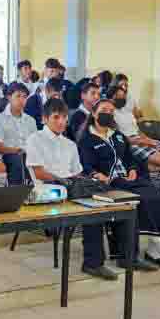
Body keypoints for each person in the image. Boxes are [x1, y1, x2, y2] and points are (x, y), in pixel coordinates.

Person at [78, 98, 160, 270]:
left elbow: (130, 157)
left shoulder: (117, 135)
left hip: (129, 178)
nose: (107, 114)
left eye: (111, 111)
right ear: (94, 113)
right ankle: (153, 245)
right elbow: (85, 165)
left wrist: (132, 169)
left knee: (159, 198)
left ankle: (157, 247)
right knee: (140, 200)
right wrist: (96, 174)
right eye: (104, 110)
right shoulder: (87, 138)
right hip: (110, 182)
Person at [26, 98, 117, 280]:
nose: (61, 122)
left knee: (97, 202)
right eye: (56, 117)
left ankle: (95, 262)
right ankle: (94, 261)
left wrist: (87, 180)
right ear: (44, 118)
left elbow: (77, 173)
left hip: (70, 187)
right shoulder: (35, 139)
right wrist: (65, 181)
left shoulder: (70, 144)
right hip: (46, 190)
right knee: (87, 199)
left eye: (64, 118)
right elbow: (39, 172)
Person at [0, 82, 37, 186]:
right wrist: (16, 150)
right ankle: (17, 192)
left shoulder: (31, 120)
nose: (21, 100)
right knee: (18, 159)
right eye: (18, 96)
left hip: (27, 154)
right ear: (9, 97)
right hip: (8, 155)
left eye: (25, 97)